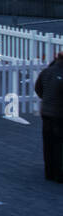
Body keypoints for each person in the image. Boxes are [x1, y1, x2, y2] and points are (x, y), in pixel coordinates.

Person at [35, 50, 63, 182]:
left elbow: (38, 88)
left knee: (48, 142)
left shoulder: (46, 71)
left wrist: (46, 99)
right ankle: (59, 173)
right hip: (59, 113)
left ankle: (49, 171)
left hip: (46, 111)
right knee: (59, 144)